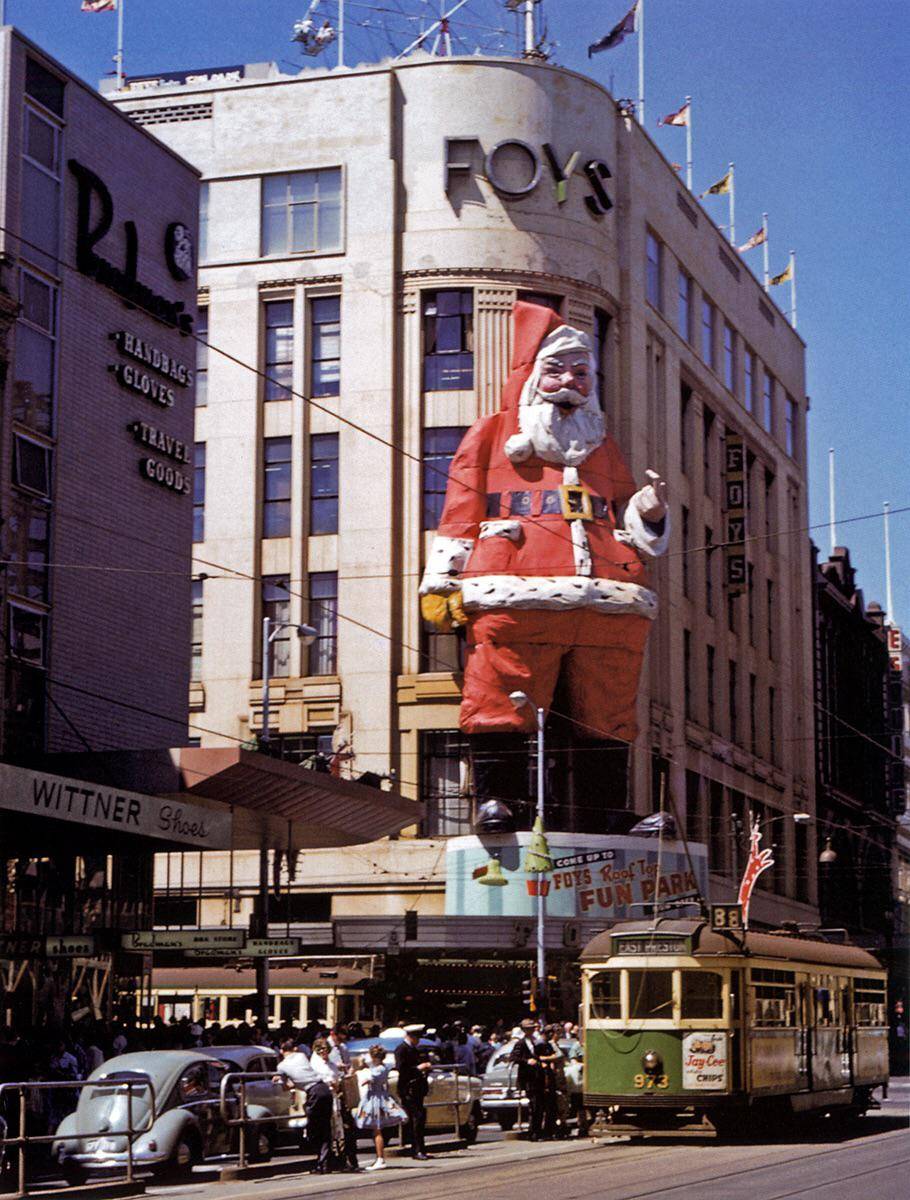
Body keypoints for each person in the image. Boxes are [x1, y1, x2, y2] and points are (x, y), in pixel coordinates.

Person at [419, 302, 669, 792]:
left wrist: (651, 512)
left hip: (609, 602)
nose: (571, 382)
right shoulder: (491, 435)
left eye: (581, 372)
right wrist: (442, 582)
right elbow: (460, 510)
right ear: (532, 377)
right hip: (513, 592)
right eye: (556, 370)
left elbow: (624, 514)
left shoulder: (604, 447)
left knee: (608, 708)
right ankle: (499, 803)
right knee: (501, 695)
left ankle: (608, 814)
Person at [274, 1037, 333, 1173]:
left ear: (282, 1051)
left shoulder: (281, 1066)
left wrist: (278, 1079)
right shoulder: (301, 1056)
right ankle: (325, 1163)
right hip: (324, 1088)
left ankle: (321, 1162)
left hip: (313, 1093)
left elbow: (286, 1087)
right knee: (325, 1128)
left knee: (313, 1128)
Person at [353, 1044, 408, 1172]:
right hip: (378, 1096)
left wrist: (363, 1069)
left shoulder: (378, 1069)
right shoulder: (381, 1068)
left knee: (377, 1129)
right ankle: (379, 1157)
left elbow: (367, 1079)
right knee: (376, 1129)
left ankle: (380, 1158)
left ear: (374, 1057)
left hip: (375, 1099)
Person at [394, 1024, 432, 1160]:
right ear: (411, 1036)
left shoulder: (414, 1049)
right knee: (415, 1118)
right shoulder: (401, 1050)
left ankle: (420, 1148)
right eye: (417, 1037)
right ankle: (416, 1149)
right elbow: (402, 1069)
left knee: (420, 1118)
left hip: (417, 1088)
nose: (419, 1040)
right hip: (408, 1089)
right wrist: (418, 1068)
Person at [510, 1018, 546, 1141]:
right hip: (529, 1078)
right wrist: (526, 1061)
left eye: (532, 1028)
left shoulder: (536, 1042)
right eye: (529, 1028)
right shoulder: (520, 1043)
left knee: (540, 1105)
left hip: (538, 1077)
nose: (531, 1030)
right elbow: (514, 1057)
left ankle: (537, 1131)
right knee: (534, 1105)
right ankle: (533, 1132)